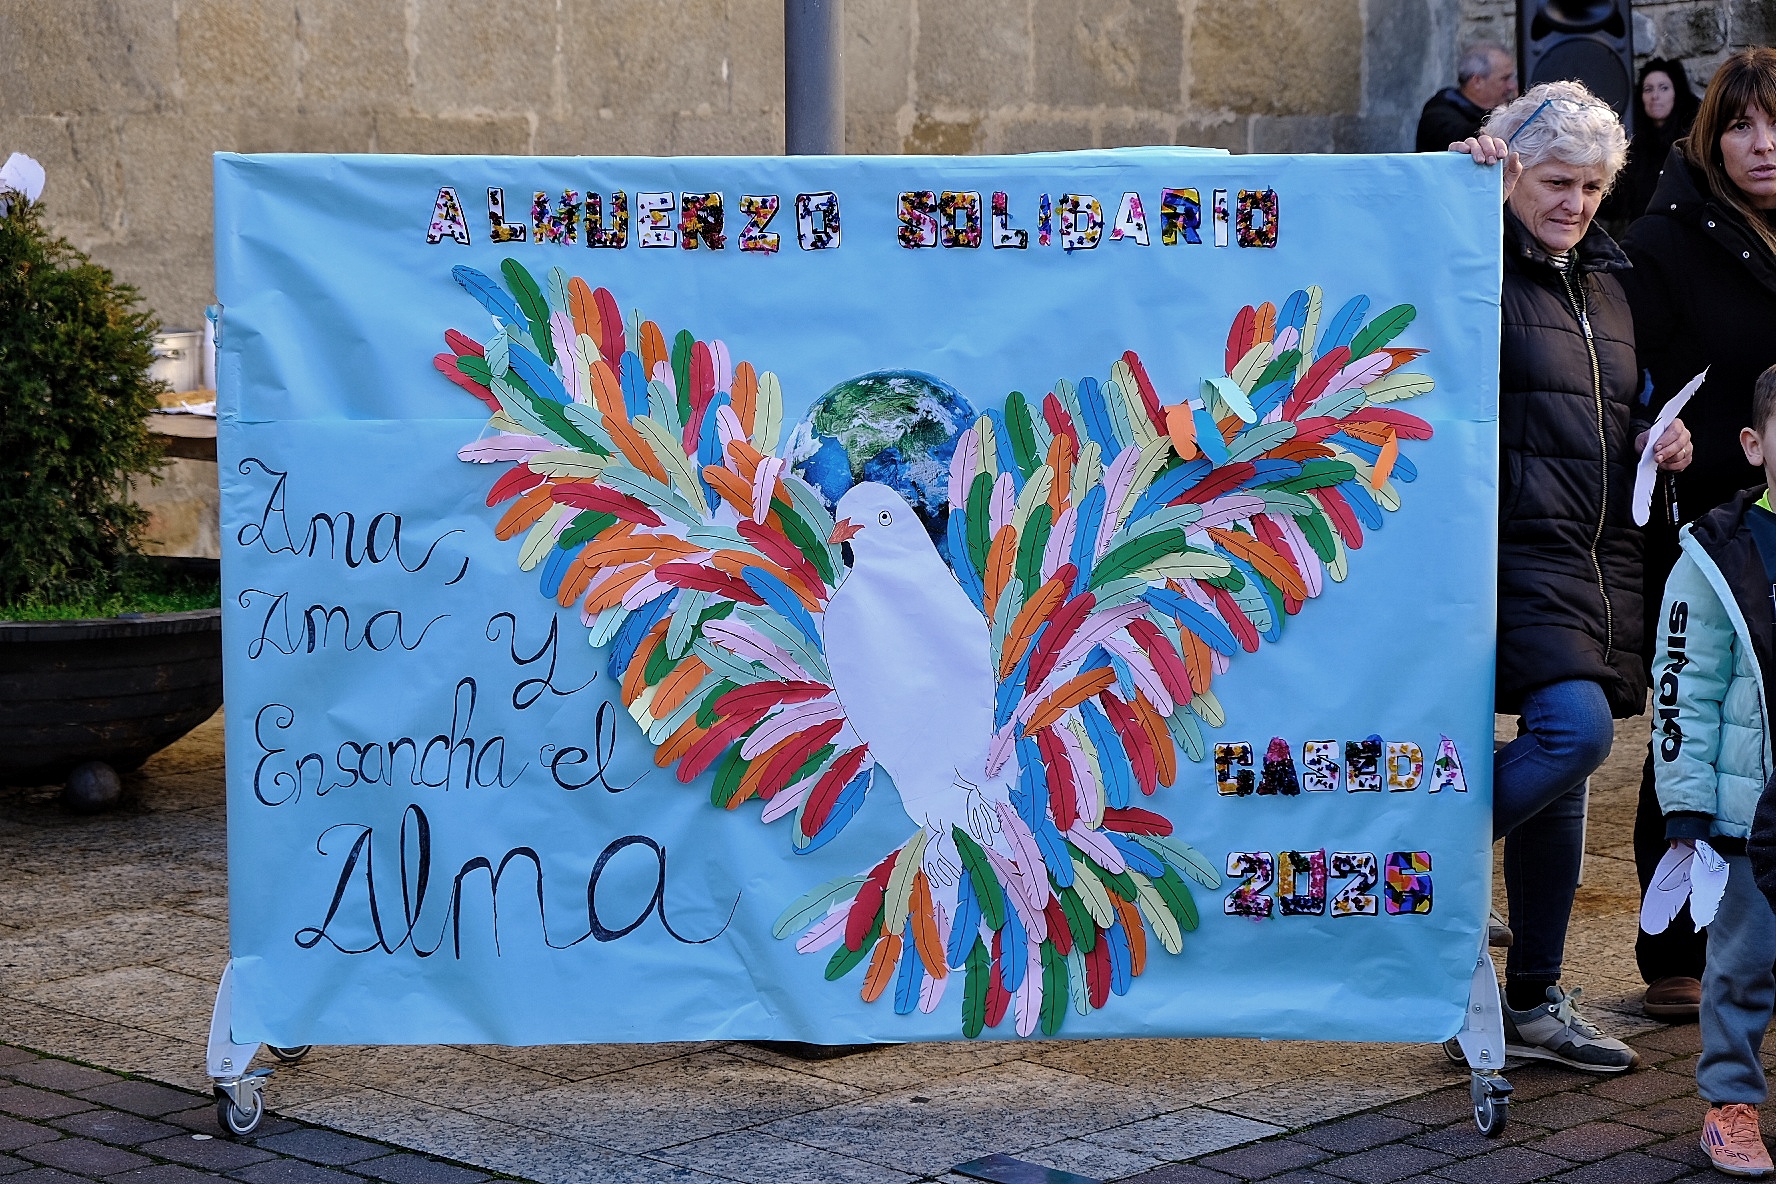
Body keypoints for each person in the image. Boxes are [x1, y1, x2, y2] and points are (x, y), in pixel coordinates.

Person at [1454, 79, 1692, 1073]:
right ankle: (1419, 864)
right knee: (1575, 733)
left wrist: (1659, 433)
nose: (1577, 202)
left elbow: (1597, 403)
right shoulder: (1464, 258)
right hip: (1497, 558)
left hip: (1588, 556)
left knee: (1565, 776)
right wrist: (1445, 184)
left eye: (1594, 184)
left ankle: (1536, 1000)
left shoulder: (1604, 281)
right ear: (1510, 172)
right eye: (1556, 180)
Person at [1621, 47, 1776, 1023]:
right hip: (1710, 515)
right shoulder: (1665, 235)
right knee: (1697, 714)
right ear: (1711, 138)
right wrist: (1657, 429)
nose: (1764, 145)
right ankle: (1670, 941)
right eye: (1743, 125)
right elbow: (1627, 371)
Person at [1658, 363, 1776, 1178]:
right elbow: (1681, 687)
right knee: (1742, 966)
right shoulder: (1716, 554)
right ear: (1755, 442)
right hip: (1749, 814)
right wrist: (1690, 814)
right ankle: (1729, 1105)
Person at [1603, 59, 1702, 227]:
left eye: (1664, 88)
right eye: (1648, 89)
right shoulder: (1630, 143)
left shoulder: (1693, 143)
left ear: (1676, 93)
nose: (1655, 96)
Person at [1417, 42, 1518, 152]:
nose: (1512, 86)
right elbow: (1466, 137)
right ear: (1477, 81)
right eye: (1504, 79)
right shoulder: (1438, 117)